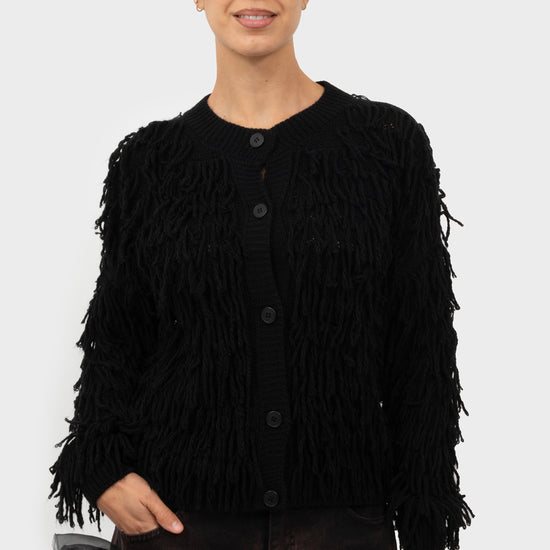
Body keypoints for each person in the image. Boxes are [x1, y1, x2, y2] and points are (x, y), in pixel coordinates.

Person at [48, 1, 475, 549]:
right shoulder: (150, 162)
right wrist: (102, 465)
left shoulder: (387, 144)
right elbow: (117, 336)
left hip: (343, 525)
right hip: (178, 523)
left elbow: (421, 345)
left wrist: (425, 522)